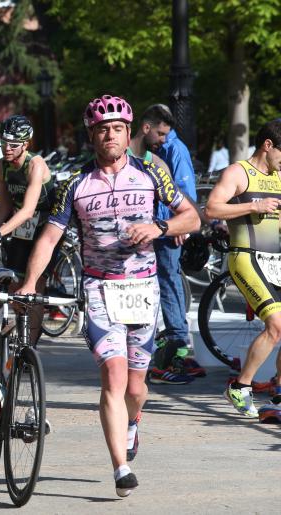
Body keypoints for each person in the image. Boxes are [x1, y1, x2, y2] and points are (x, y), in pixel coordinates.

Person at [16, 95, 199, 497]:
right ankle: (121, 467)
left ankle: (133, 423)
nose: (110, 135)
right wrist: (30, 283)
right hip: (100, 287)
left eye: (117, 128)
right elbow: (48, 239)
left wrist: (160, 227)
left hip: (142, 288)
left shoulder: (152, 174)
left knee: (136, 388)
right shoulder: (75, 186)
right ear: (91, 135)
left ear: (129, 133)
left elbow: (193, 216)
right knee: (113, 376)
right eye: (102, 129)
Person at [206, 119, 281, 422]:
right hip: (246, 258)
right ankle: (240, 386)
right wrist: (253, 206)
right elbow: (211, 208)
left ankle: (278, 387)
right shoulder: (238, 172)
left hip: (276, 260)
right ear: (268, 145)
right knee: (276, 326)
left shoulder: (278, 175)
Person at [0, 115, 54, 342]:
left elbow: (28, 209)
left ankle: (31, 345)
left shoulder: (35, 165)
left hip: (46, 225)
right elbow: (5, 205)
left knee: (34, 286)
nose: (7, 148)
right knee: (15, 286)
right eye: (4, 142)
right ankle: (12, 341)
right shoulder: (0, 167)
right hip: (21, 227)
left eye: (14, 145)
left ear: (26, 144)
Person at [145, 105, 201, 381]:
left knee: (168, 282)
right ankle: (177, 341)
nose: (163, 139)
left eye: (165, 134)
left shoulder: (174, 150)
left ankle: (178, 345)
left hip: (169, 228)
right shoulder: (161, 149)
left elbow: (185, 191)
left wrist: (181, 223)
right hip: (161, 227)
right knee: (168, 282)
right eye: (160, 133)